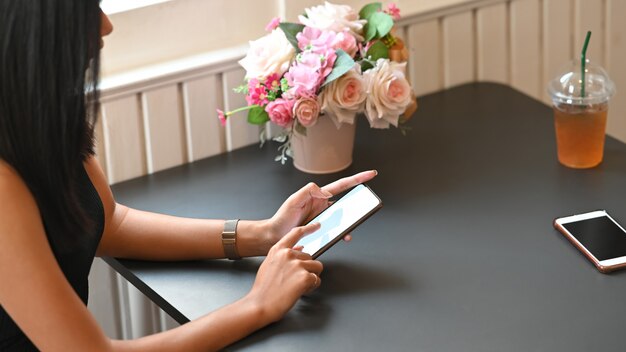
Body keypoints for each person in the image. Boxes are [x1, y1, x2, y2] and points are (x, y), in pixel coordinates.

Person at [0, 2, 376, 351]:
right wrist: (258, 305)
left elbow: (111, 222)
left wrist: (264, 234)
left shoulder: (37, 116)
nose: (106, 25)